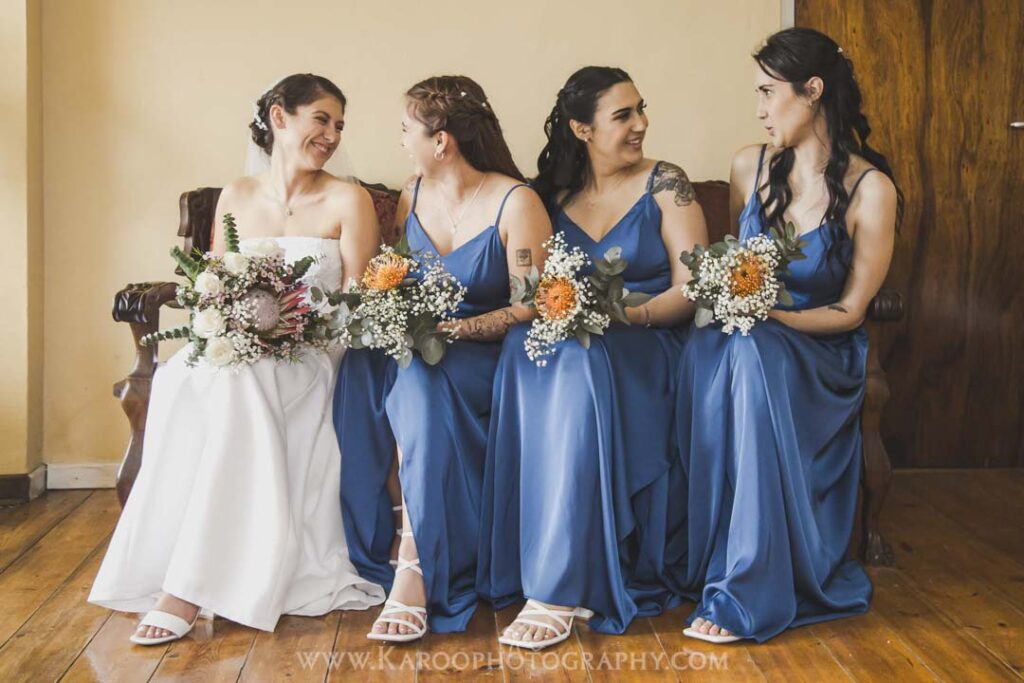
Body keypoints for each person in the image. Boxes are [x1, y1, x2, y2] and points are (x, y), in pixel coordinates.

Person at [89, 73, 385, 644]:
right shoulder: (236, 196)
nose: (332, 135)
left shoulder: (349, 200)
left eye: (339, 125)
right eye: (321, 119)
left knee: (239, 383)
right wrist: (228, 326)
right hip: (239, 354)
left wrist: (297, 332)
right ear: (279, 116)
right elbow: (214, 287)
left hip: (316, 354)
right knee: (182, 375)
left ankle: (185, 591)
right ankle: (180, 568)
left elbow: (359, 300)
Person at [675, 27, 901, 644]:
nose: (759, 109)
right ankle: (720, 559)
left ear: (813, 90)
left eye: (768, 92)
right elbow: (735, 267)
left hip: (818, 351)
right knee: (725, 347)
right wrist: (740, 305)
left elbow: (850, 311)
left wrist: (773, 319)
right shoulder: (748, 166)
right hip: (742, 343)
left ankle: (750, 589)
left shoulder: (871, 190)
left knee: (752, 349)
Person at [477, 66, 708, 650]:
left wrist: (627, 315)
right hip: (571, 345)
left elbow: (694, 288)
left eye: (641, 109)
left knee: (578, 357)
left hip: (649, 341)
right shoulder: (550, 199)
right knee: (531, 347)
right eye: (623, 115)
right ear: (581, 129)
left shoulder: (666, 183)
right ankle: (547, 561)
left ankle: (561, 585)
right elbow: (529, 289)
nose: (640, 124)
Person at [336, 75, 551, 642]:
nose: (401, 140)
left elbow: (531, 305)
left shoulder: (516, 202)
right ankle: (397, 539)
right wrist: (391, 316)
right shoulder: (411, 195)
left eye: (407, 129)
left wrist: (461, 329)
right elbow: (395, 279)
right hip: (422, 348)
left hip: (490, 357)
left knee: (420, 380)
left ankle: (414, 568)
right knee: (375, 368)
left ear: (441, 141)